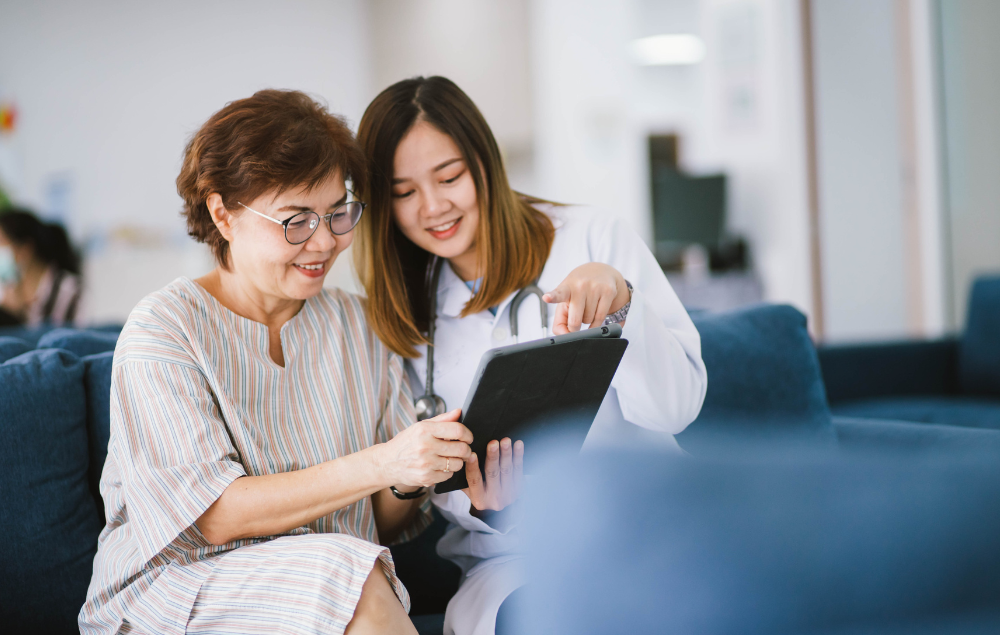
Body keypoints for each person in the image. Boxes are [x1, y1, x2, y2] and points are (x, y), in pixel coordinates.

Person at [79, 90, 476, 635]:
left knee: (347, 569)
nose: (324, 242)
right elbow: (213, 516)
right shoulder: (165, 329)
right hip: (180, 592)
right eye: (296, 220)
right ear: (223, 214)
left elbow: (380, 520)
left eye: (339, 213)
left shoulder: (358, 325)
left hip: (330, 586)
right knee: (346, 575)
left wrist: (410, 475)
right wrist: (383, 462)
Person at [354, 76, 708, 635]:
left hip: (649, 521)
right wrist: (492, 506)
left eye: (450, 177)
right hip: (515, 563)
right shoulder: (403, 315)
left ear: (484, 164)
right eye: (404, 192)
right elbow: (417, 487)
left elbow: (676, 409)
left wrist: (621, 303)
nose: (434, 206)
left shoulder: (591, 238)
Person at [0, 208, 83, 326]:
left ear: (25, 249)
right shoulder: (6, 292)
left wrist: (16, 317)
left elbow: (64, 339)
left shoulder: (68, 290)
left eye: (1, 242)